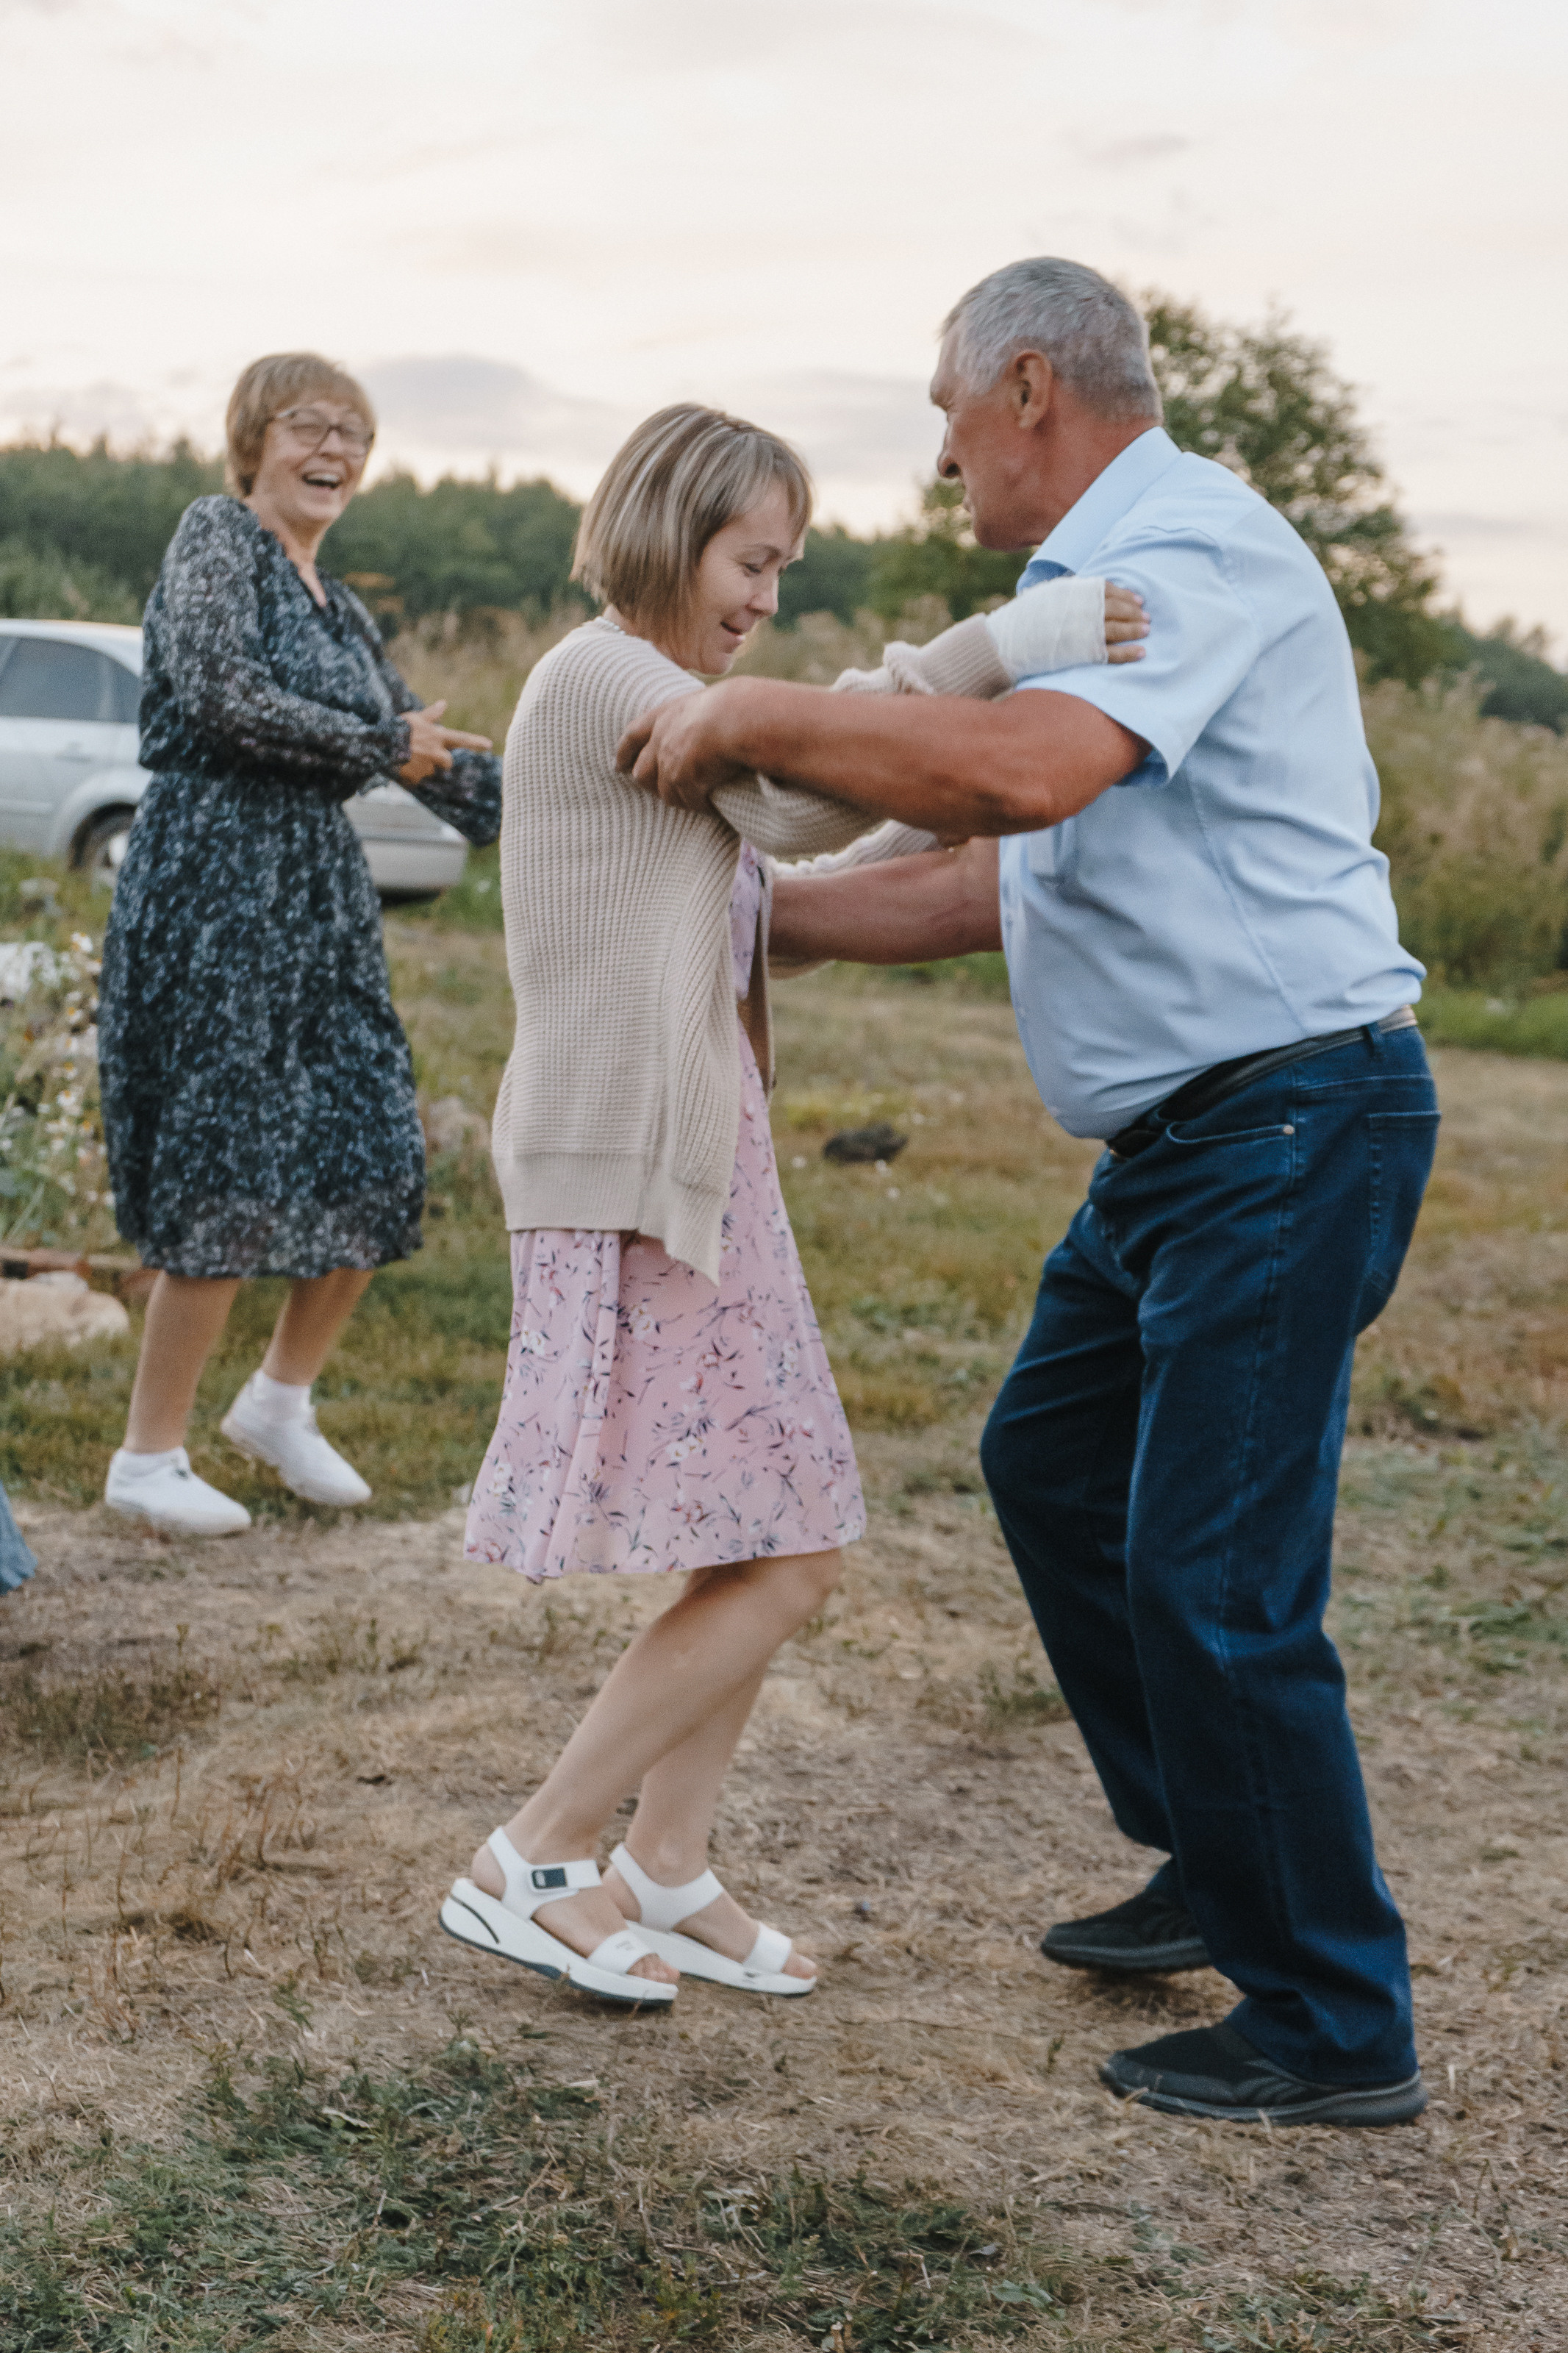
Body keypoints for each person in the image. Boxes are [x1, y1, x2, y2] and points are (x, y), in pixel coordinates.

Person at [617, 260, 1437, 2124]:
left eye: (941, 415)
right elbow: (1005, 876)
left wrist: (751, 712)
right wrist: (766, 919)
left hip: (1290, 1119)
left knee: (1212, 1570)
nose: (938, 457)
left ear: (1029, 386)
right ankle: (1206, 1848)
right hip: (1183, 1145)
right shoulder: (1073, 596)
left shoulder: (1192, 556)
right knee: (1049, 1465)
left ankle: (1329, 2020)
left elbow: (1021, 776)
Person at [440, 401, 1144, 2005]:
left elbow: (806, 833)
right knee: (790, 1550)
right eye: (751, 557)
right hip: (627, 1168)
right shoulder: (605, 673)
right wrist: (989, 644)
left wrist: (971, 770)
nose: (764, 592)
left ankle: (663, 1864)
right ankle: (531, 1853)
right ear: (669, 528)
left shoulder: (674, 699)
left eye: (782, 567)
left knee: (780, 1525)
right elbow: (796, 794)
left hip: (700, 1163)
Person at [98, 354, 501, 1539]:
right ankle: (148, 1456)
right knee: (225, 1157)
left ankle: (277, 1403)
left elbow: (435, 758)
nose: (333, 448)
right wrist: (385, 742)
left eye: (353, 433)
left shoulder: (344, 605)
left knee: (375, 1142)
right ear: (253, 442)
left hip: (318, 899)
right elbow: (220, 692)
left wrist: (596, 813)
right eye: (306, 425)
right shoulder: (216, 536)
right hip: (214, 881)